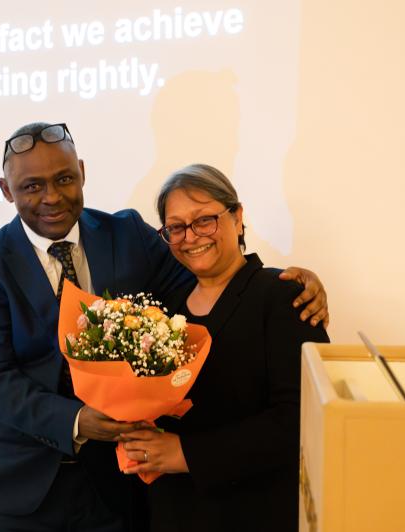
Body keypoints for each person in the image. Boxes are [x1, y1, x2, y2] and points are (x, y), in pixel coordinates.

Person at [0, 123, 328, 531]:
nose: (51, 197)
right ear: (6, 190)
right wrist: (77, 421)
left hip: (120, 492)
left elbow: (207, 283)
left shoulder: (128, 234)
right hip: (19, 495)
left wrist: (291, 283)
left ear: (81, 171)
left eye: (64, 178)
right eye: (31, 186)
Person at [120, 163, 330, 532]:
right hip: (172, 512)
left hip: (255, 513)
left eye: (205, 220)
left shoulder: (284, 297)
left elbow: (300, 419)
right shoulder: (162, 309)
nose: (191, 236)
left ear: (237, 217)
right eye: (177, 227)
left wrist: (186, 454)